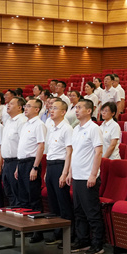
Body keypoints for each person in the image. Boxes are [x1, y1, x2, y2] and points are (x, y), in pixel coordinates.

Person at [62, 99, 105, 254]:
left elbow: (98, 152)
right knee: (79, 212)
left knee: (92, 212)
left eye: (80, 107)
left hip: (88, 177)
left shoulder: (94, 128)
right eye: (76, 108)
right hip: (77, 176)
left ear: (89, 110)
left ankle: (98, 244)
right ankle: (83, 240)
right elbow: (74, 153)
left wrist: (93, 174)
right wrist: (70, 172)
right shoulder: (76, 129)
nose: (77, 110)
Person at [41, 99, 74, 243]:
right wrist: (47, 171)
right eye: (51, 108)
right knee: (53, 202)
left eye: (55, 108)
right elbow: (50, 152)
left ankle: (67, 234)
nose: (51, 110)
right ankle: (56, 232)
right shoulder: (52, 128)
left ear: (63, 112)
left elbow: (69, 152)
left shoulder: (67, 128)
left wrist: (65, 173)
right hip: (51, 165)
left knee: (63, 202)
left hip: (61, 166)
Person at [15, 98, 46, 214]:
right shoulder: (25, 124)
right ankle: (24, 223)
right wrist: (18, 167)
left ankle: (36, 224)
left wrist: (35, 167)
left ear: (37, 109)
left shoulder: (39, 124)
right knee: (23, 196)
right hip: (22, 163)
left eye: (28, 106)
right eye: (25, 106)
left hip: (31, 163)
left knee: (33, 196)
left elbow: (41, 146)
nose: (25, 108)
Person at [0, 97, 27, 207]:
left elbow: (22, 144)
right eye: (8, 103)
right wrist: (1, 163)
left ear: (19, 107)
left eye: (11, 103)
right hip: (7, 162)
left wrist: (18, 165)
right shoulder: (8, 121)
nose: (8, 105)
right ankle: (13, 213)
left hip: (16, 161)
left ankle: (19, 214)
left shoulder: (22, 121)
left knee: (17, 192)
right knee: (8, 191)